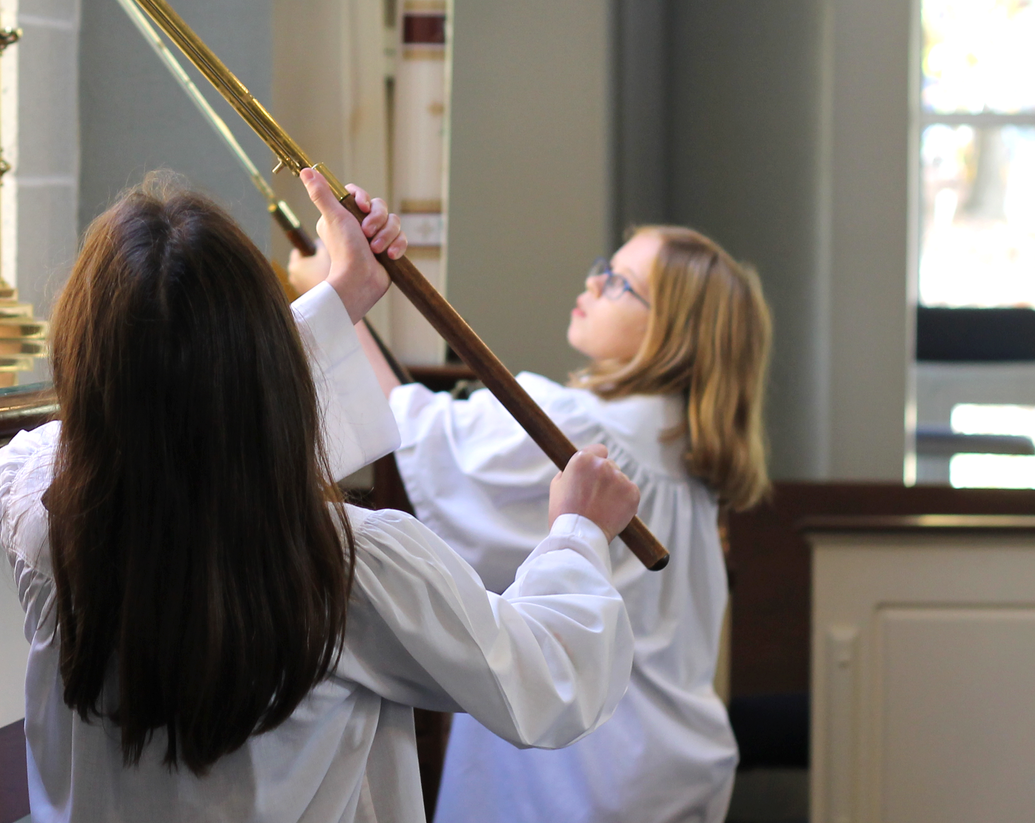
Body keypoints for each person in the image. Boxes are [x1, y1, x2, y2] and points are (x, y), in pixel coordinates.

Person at [0, 169, 644, 822]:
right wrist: (579, 533)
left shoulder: (40, 520)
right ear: (266, 362)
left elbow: (140, 416)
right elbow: (548, 679)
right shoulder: (348, 567)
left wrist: (343, 294)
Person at [293, 226, 771, 823]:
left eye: (621, 284)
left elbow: (416, 433)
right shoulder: (686, 450)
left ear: (674, 334)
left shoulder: (582, 431)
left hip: (581, 771)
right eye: (605, 266)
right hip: (675, 760)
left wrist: (336, 301)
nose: (594, 281)